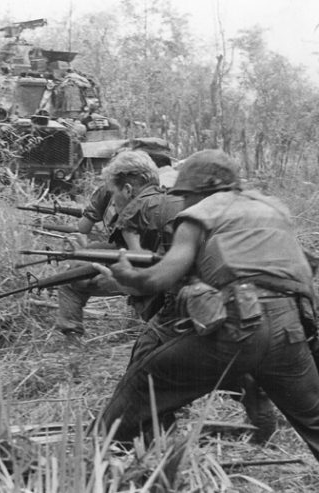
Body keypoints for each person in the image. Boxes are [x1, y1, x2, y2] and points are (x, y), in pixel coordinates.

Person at [92, 150, 319, 459]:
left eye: (185, 195)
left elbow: (159, 278)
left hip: (239, 328)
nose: (182, 203)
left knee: (142, 383)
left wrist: (127, 275)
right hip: (291, 331)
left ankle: (93, 457)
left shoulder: (201, 213)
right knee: (314, 420)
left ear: (202, 191)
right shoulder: (272, 209)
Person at [54, 150, 183, 336]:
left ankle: (72, 336)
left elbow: (144, 278)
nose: (113, 202)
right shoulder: (175, 198)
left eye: (113, 194)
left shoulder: (132, 214)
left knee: (70, 279)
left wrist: (117, 284)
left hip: (175, 304)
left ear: (128, 190)